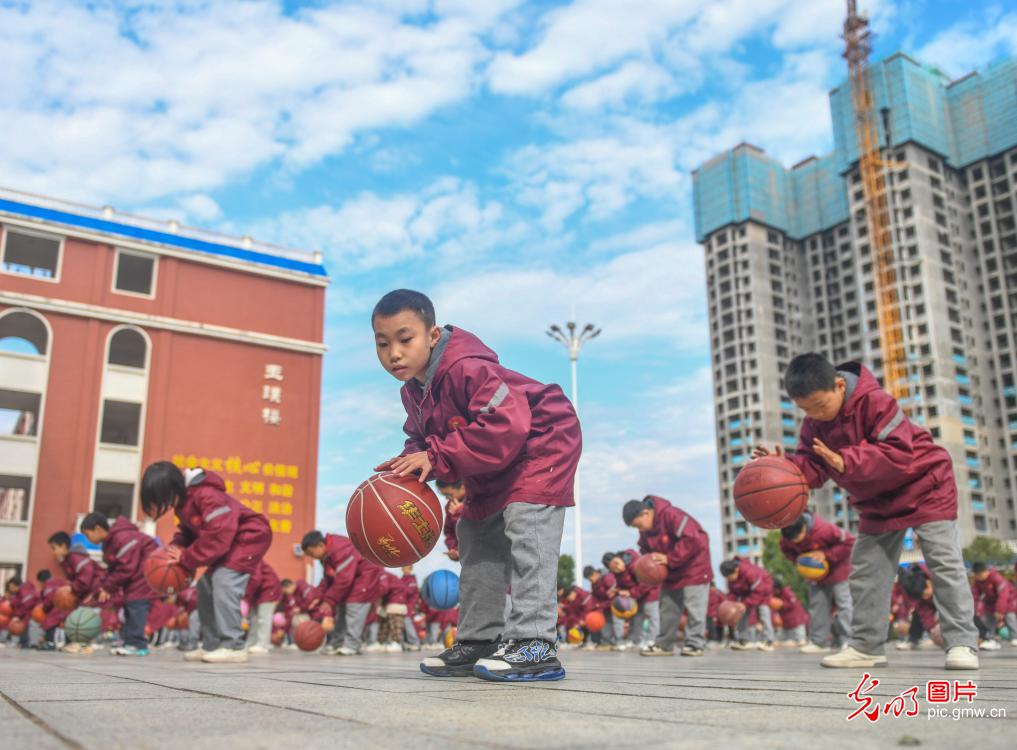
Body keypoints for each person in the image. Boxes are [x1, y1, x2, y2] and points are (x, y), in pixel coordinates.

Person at [372, 289, 582, 682]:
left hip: (541, 440)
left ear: (432, 336)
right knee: (476, 534)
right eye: (382, 344)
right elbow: (420, 438)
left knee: (526, 527)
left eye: (405, 339)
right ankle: (480, 639)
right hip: (491, 460)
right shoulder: (412, 391)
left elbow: (508, 423)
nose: (394, 353)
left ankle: (535, 644)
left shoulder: (468, 367)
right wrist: (408, 462)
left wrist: (435, 457)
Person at [754, 354, 979, 670]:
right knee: (865, 571)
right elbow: (814, 467)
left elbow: (900, 453)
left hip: (925, 484)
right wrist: (784, 468)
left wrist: (847, 461)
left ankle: (962, 645)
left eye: (820, 405)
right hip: (876, 500)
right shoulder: (813, 424)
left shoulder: (876, 402)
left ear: (840, 385)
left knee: (944, 563)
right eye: (805, 409)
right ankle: (867, 647)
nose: (814, 414)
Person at [624, 496, 712, 657]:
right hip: (671, 571)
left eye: (638, 525)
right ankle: (665, 644)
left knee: (695, 607)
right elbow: (645, 553)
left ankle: (695, 643)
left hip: (695, 567)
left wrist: (670, 558)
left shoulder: (671, 515)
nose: (639, 530)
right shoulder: (646, 532)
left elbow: (694, 538)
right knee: (667, 607)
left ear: (646, 513)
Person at [81, 512, 158, 657]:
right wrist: (102, 588)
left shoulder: (122, 537)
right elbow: (113, 569)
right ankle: (129, 641)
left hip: (145, 572)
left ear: (98, 529)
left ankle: (137, 645)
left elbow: (126, 567)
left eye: (87, 534)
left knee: (136, 605)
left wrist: (108, 587)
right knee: (130, 605)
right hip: (136, 575)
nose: (87, 539)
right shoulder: (110, 542)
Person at [779, 511, 854, 653]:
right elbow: (787, 551)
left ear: (804, 527)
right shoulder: (787, 538)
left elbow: (849, 541)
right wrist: (798, 559)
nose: (796, 542)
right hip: (815, 575)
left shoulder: (825, 529)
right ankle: (819, 642)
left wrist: (826, 555)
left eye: (798, 538)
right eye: (793, 540)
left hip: (839, 569)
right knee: (817, 606)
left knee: (844, 604)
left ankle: (850, 641)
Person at [300, 530, 382, 655]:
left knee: (354, 609)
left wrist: (329, 600)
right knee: (341, 611)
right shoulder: (327, 556)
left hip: (365, 579)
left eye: (311, 553)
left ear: (320, 546)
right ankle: (336, 643)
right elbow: (328, 580)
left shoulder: (339, 548)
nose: (312, 557)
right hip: (352, 581)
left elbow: (344, 578)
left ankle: (352, 645)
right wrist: (319, 597)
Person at [49, 531, 103, 654]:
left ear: (63, 545)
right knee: (75, 616)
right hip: (87, 591)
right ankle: (79, 643)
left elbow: (86, 576)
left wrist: (71, 588)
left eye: (54, 548)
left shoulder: (76, 558)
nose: (53, 552)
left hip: (96, 589)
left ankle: (83, 644)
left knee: (81, 619)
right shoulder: (68, 561)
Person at [720, 557, 774, 651]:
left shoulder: (750, 572)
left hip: (763, 589)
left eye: (730, 576)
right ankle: (743, 640)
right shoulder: (731, 577)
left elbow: (758, 591)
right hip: (747, 592)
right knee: (742, 613)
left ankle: (768, 641)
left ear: (736, 570)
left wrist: (745, 604)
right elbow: (733, 592)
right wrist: (730, 604)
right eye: (727, 578)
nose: (729, 579)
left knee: (763, 612)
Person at [970, 562, 1016, 650]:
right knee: (986, 619)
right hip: (991, 605)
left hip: (1008, 602)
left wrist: (1000, 610)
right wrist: (976, 610)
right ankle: (989, 639)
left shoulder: (996, 578)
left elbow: (1003, 594)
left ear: (985, 571)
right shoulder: (977, 582)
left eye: (980, 574)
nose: (978, 577)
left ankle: (1015, 636)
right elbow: (975, 596)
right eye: (976, 575)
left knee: (1010, 617)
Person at [244, 559, 282, 655]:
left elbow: (255, 579)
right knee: (253, 618)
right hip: (257, 592)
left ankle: (263, 645)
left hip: (268, 588)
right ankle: (251, 643)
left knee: (263, 617)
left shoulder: (251, 559)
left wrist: (246, 597)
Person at [584, 565, 619, 649]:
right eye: (589, 580)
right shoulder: (594, 584)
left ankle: (619, 642)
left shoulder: (608, 578)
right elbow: (595, 598)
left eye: (590, 578)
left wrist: (600, 605)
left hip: (615, 604)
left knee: (617, 623)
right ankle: (607, 642)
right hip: (605, 606)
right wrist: (595, 608)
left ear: (596, 573)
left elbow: (613, 596)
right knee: (606, 623)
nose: (591, 581)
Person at [436, 480, 465, 561]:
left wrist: (459, 512)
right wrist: (454, 549)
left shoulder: (478, 499)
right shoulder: (450, 506)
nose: (447, 498)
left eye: (449, 495)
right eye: (444, 495)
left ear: (463, 487)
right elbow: (449, 531)